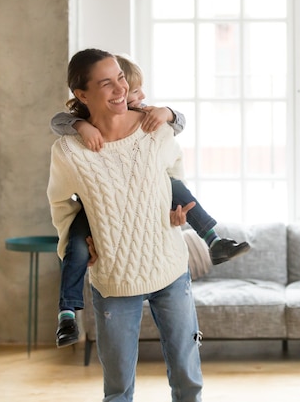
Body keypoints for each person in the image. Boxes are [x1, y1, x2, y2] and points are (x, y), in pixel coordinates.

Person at [50, 54, 249, 348]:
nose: (137, 96)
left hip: (161, 248)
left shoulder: (147, 121)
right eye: (132, 90)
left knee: (174, 186)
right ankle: (67, 313)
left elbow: (177, 129)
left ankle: (213, 240)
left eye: (125, 84)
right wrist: (81, 125)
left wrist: (167, 111)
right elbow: (59, 121)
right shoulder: (73, 138)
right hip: (94, 211)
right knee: (76, 247)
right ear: (85, 95)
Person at [47, 48, 203, 401]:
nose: (120, 88)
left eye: (120, 77)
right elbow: (60, 204)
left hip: (169, 266)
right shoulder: (68, 151)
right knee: (117, 387)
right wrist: (75, 242)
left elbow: (174, 176)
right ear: (82, 95)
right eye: (106, 83)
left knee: (187, 376)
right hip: (113, 277)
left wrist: (174, 211)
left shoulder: (156, 131)